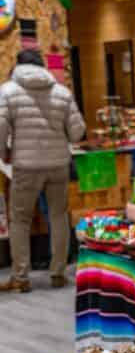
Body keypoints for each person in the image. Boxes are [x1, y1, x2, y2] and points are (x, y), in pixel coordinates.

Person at [0, 49, 85, 292]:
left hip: (26, 166)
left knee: (21, 220)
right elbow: (78, 131)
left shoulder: (8, 91)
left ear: (19, 66)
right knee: (58, 216)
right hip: (58, 165)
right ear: (43, 66)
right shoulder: (62, 92)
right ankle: (58, 273)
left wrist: (3, 152)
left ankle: (21, 277)